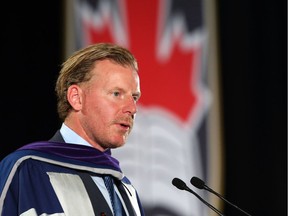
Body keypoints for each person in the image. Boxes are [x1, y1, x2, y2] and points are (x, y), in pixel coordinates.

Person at [0, 43, 145, 216]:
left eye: (134, 97)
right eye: (116, 94)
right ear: (76, 98)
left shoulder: (127, 192)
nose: (132, 108)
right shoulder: (27, 171)